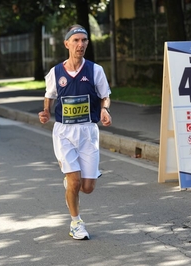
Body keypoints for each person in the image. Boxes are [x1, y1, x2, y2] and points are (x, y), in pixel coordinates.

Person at [38, 24, 112, 240]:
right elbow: (49, 95)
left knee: (87, 187)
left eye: (84, 40)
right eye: (76, 40)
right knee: (74, 181)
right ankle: (76, 222)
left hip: (88, 131)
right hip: (64, 132)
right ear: (67, 43)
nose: (80, 44)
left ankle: (74, 183)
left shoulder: (95, 70)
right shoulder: (56, 72)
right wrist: (45, 112)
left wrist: (104, 109)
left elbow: (104, 95)